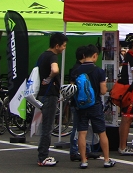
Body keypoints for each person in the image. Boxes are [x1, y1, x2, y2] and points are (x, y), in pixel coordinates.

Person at [70, 44, 115, 169]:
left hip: (80, 106)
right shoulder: (99, 71)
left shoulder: (76, 71)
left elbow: (72, 89)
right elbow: (102, 91)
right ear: (95, 55)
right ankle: (106, 160)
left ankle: (84, 160)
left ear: (84, 55)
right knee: (101, 132)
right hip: (95, 105)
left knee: (82, 133)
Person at [36, 32, 68, 167]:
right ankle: (43, 156)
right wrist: (50, 78)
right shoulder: (52, 56)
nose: (64, 48)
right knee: (47, 126)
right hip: (49, 94)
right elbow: (55, 70)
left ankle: (42, 154)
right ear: (57, 45)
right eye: (63, 46)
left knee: (45, 125)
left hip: (42, 94)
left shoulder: (42, 55)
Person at [117, 33, 133, 156]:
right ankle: (123, 146)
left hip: (124, 90)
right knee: (127, 118)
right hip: (129, 90)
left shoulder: (128, 56)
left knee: (124, 118)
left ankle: (122, 145)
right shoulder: (131, 56)